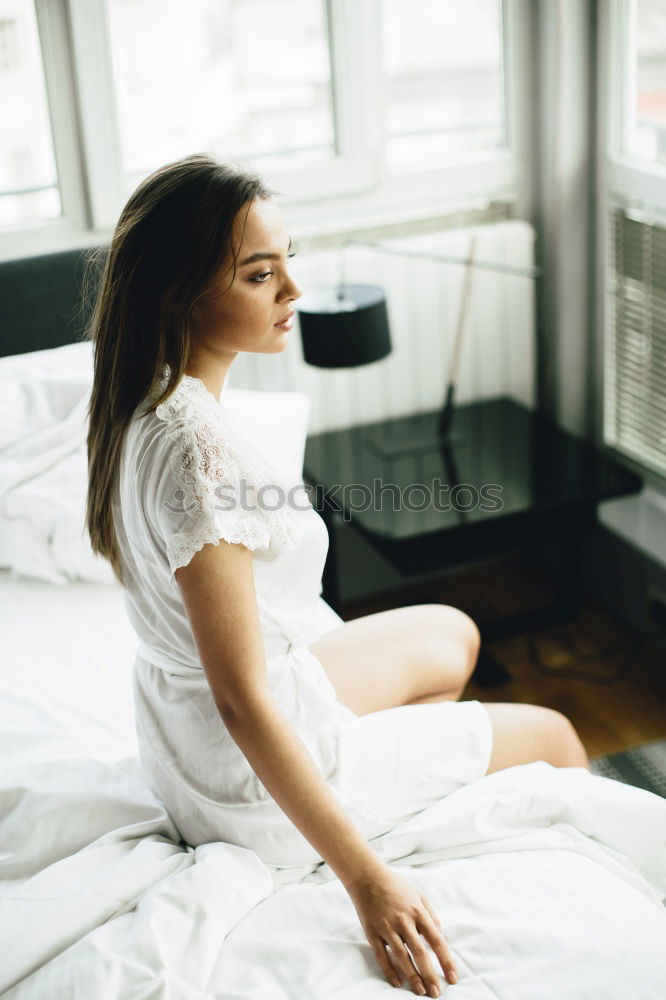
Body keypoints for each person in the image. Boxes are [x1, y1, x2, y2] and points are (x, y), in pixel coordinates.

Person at [85, 153, 590, 998]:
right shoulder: (194, 450)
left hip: (188, 742)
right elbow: (244, 700)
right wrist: (367, 881)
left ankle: (416, 774)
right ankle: (403, 811)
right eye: (259, 273)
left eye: (289, 259)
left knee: (454, 636)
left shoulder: (145, 400)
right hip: (241, 779)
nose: (294, 289)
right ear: (181, 293)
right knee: (556, 738)